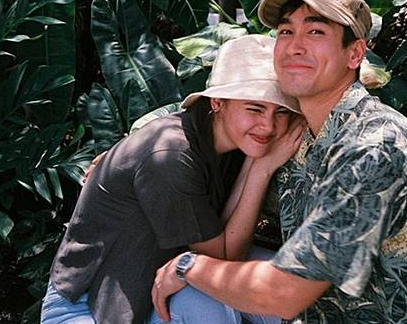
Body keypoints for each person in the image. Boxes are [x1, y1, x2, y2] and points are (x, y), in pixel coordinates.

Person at [150, 0, 407, 323]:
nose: (295, 46)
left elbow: (284, 293)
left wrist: (188, 266)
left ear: (355, 54)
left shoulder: (375, 145)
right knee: (191, 299)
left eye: (316, 32)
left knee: (192, 287)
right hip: (317, 314)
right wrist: (136, 154)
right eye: (286, 32)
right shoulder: (301, 133)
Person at [40, 34, 304, 324]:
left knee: (288, 281)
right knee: (208, 301)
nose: (268, 125)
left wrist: (255, 162)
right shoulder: (170, 156)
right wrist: (261, 169)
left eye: (281, 111)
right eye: (254, 108)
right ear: (218, 102)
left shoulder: (232, 139)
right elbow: (222, 262)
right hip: (86, 307)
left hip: (159, 285)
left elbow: (222, 242)